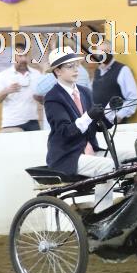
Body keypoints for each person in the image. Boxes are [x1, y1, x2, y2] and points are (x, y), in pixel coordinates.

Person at [44, 48, 124, 212]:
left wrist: (111, 110)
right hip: (67, 157)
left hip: (90, 151)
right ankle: (103, 214)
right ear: (57, 71)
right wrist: (88, 116)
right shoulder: (53, 97)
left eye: (77, 65)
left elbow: (99, 125)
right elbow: (66, 132)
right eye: (70, 66)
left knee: (133, 156)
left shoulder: (85, 92)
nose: (76, 69)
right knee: (108, 166)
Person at [0, 42, 44, 132]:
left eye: (25, 55)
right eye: (20, 56)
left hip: (33, 122)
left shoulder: (36, 74)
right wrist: (6, 91)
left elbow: (45, 100)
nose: (23, 59)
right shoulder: (4, 75)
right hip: (12, 123)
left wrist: (40, 99)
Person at [88, 41, 137, 124]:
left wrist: (119, 116)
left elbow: (133, 98)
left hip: (115, 125)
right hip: (97, 124)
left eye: (105, 51)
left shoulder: (123, 70)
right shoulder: (97, 71)